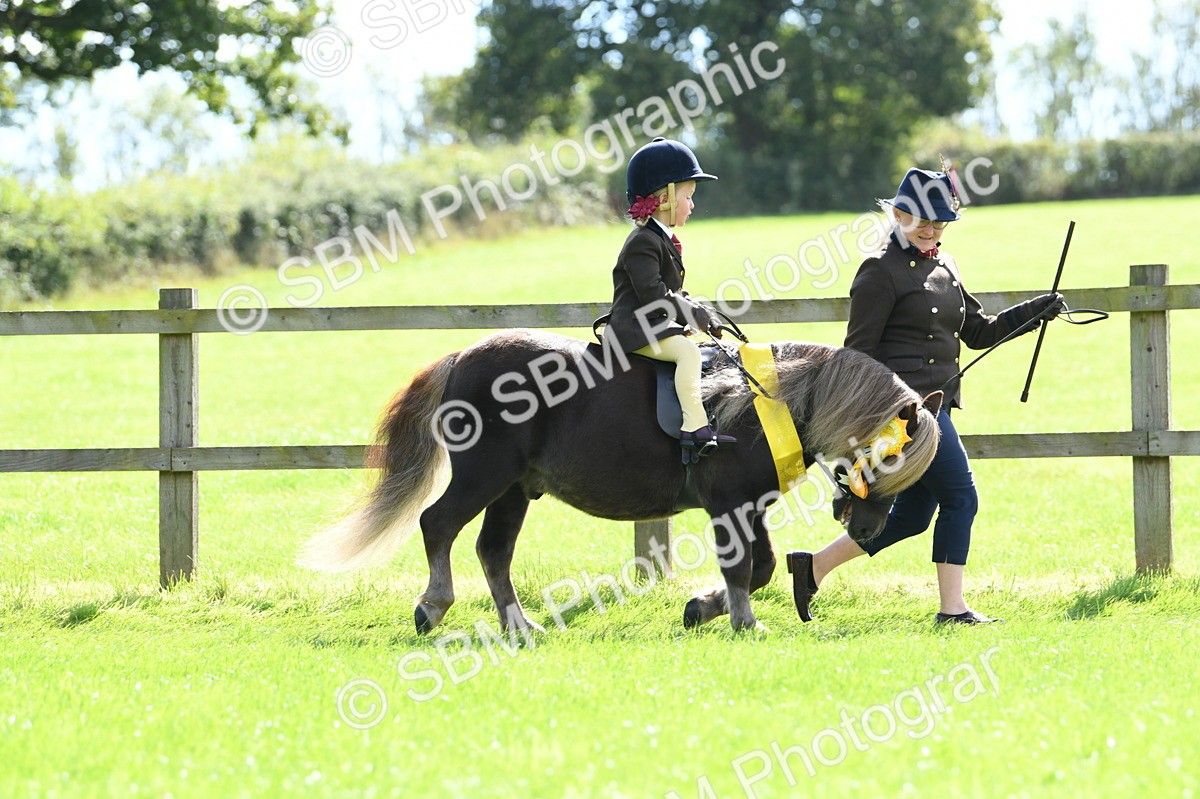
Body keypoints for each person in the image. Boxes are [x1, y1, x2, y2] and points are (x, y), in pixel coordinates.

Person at [790, 167, 1063, 624]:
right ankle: (953, 610)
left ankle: (813, 567)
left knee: (915, 515)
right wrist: (878, 422)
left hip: (937, 410)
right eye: (922, 220)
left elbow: (979, 332)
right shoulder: (878, 271)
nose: (931, 229)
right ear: (898, 214)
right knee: (962, 498)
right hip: (906, 420)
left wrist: (1036, 310)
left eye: (940, 222)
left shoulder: (946, 265)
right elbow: (857, 357)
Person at [601, 137, 735, 462]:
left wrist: (702, 313)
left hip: (651, 326)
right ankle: (694, 426)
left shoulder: (661, 239)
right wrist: (689, 315)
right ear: (665, 199)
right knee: (687, 353)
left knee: (702, 349)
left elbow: (672, 293)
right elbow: (653, 295)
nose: (693, 205)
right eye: (688, 197)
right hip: (633, 331)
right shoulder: (642, 243)